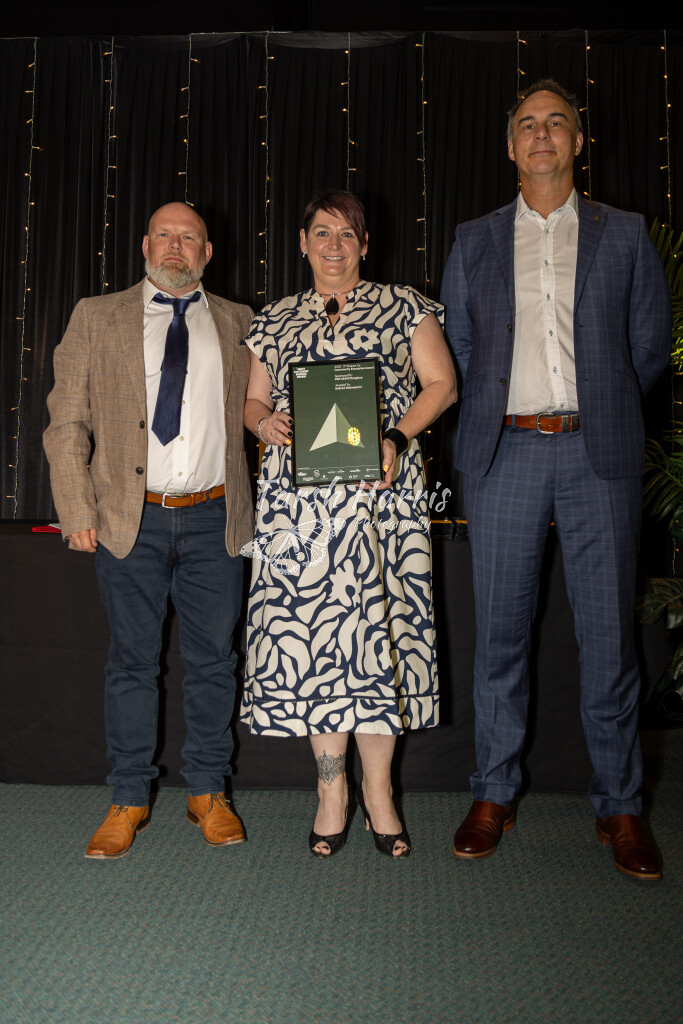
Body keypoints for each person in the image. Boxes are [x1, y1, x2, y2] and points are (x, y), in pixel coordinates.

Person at [441, 80, 672, 880]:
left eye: (555, 123)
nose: (541, 135)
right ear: (510, 146)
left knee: (608, 640)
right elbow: (460, 346)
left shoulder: (625, 232)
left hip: (595, 456)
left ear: (577, 141)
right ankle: (492, 791)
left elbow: (648, 344)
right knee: (499, 637)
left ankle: (619, 804)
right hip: (504, 454)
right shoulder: (473, 239)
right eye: (527, 125)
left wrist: (597, 406)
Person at [240, 189, 457, 858]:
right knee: (313, 646)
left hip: (381, 501)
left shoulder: (404, 306)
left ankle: (379, 794)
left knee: (377, 645)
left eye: (347, 233)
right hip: (298, 509)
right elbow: (251, 401)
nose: (334, 245)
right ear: (302, 243)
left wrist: (394, 436)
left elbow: (442, 385)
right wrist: (264, 423)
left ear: (365, 244)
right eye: (321, 232)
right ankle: (330, 791)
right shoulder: (275, 319)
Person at [44, 202, 254, 859]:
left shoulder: (242, 322)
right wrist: (77, 509)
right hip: (127, 520)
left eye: (189, 237)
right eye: (165, 234)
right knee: (131, 663)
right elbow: (66, 420)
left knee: (214, 663)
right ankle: (129, 796)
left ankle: (208, 792)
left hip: (216, 519)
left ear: (207, 252)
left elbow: (264, 411)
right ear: (144, 245)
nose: (175, 246)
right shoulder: (95, 315)